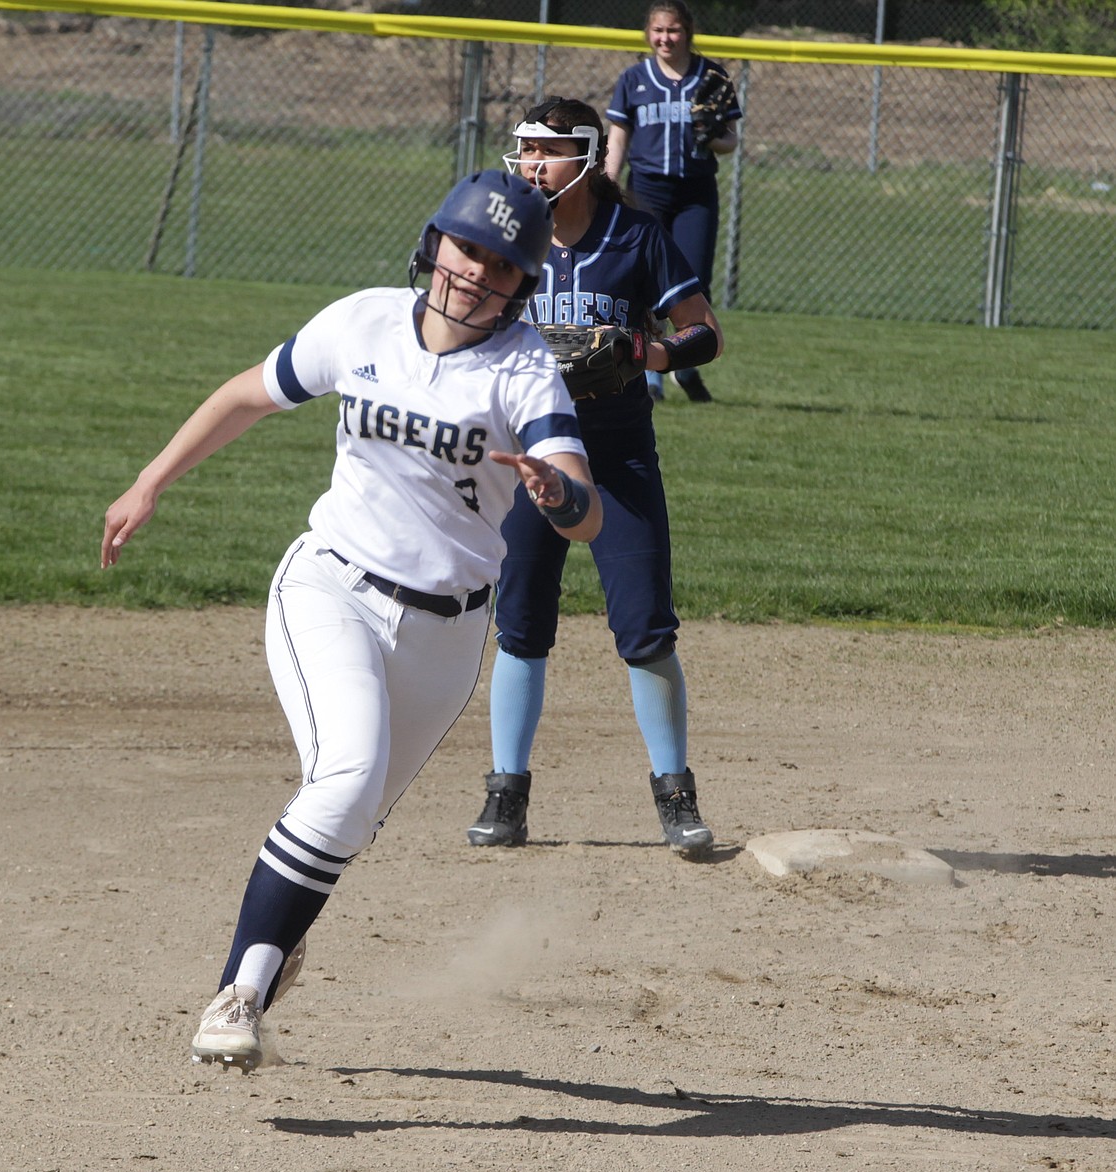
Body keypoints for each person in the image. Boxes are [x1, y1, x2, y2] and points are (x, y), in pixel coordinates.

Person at [100, 169, 602, 1073]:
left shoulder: (523, 365)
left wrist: (557, 489)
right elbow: (250, 394)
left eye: (501, 264)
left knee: (351, 814)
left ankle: (277, 937)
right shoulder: (364, 321)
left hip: (448, 636)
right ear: (434, 244)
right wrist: (150, 481)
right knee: (345, 776)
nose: (477, 272)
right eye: (466, 248)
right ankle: (239, 993)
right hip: (330, 587)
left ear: (525, 283)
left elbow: (584, 508)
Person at [464, 97, 722, 859]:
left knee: (645, 631)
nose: (532, 164)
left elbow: (703, 331)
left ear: (582, 158)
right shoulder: (511, 240)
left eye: (546, 150)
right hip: (528, 457)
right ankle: (505, 795)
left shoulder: (636, 235)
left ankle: (676, 796)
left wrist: (649, 355)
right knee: (520, 626)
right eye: (525, 150)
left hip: (617, 454)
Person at [605, 0, 742, 404]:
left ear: (688, 32)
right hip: (646, 189)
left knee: (692, 283)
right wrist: (608, 186)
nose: (666, 38)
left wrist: (711, 134)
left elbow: (730, 140)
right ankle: (652, 376)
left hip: (696, 192)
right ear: (649, 34)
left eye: (674, 30)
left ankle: (686, 361)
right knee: (644, 284)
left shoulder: (711, 76)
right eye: (658, 30)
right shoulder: (634, 79)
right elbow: (618, 137)